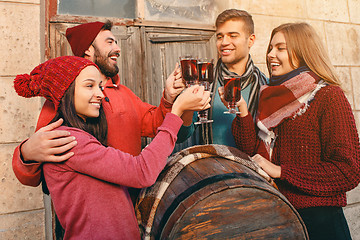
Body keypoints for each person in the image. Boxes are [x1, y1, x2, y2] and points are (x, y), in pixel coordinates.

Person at [13, 56, 210, 239]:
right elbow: (142, 171)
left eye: (100, 86)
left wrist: (169, 99)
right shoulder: (69, 139)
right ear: (65, 91)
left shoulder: (87, 127)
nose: (100, 94)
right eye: (89, 86)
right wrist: (177, 111)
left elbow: (152, 121)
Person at [12, 20, 190, 187]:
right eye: (110, 42)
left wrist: (168, 97)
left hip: (132, 200)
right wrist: (25, 153)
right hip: (86, 212)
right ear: (88, 49)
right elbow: (33, 173)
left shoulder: (124, 92)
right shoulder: (63, 101)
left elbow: (155, 124)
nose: (118, 48)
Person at [231, 22, 360, 240]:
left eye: (281, 48)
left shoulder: (329, 96)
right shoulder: (271, 96)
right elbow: (252, 152)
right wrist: (242, 111)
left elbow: (348, 171)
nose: (271, 54)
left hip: (319, 224)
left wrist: (281, 171)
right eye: (271, 48)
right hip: (276, 218)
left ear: (303, 52)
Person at [175, 9, 267, 151]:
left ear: (251, 40)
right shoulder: (204, 82)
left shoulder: (264, 86)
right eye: (220, 37)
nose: (224, 42)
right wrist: (186, 105)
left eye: (233, 36)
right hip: (208, 168)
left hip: (249, 170)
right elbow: (181, 136)